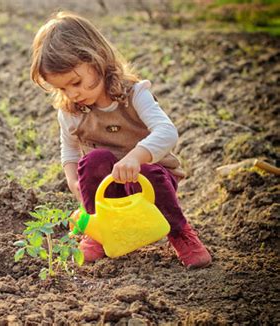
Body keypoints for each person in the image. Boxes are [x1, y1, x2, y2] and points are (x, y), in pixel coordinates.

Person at [30, 11, 212, 269]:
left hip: (150, 185)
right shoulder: (71, 110)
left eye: (76, 82)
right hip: (107, 190)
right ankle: (98, 231)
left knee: (150, 172)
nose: (72, 93)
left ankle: (180, 232)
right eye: (62, 88)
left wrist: (136, 158)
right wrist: (72, 180)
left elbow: (167, 131)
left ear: (97, 59)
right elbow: (69, 151)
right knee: (94, 160)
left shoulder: (134, 94)